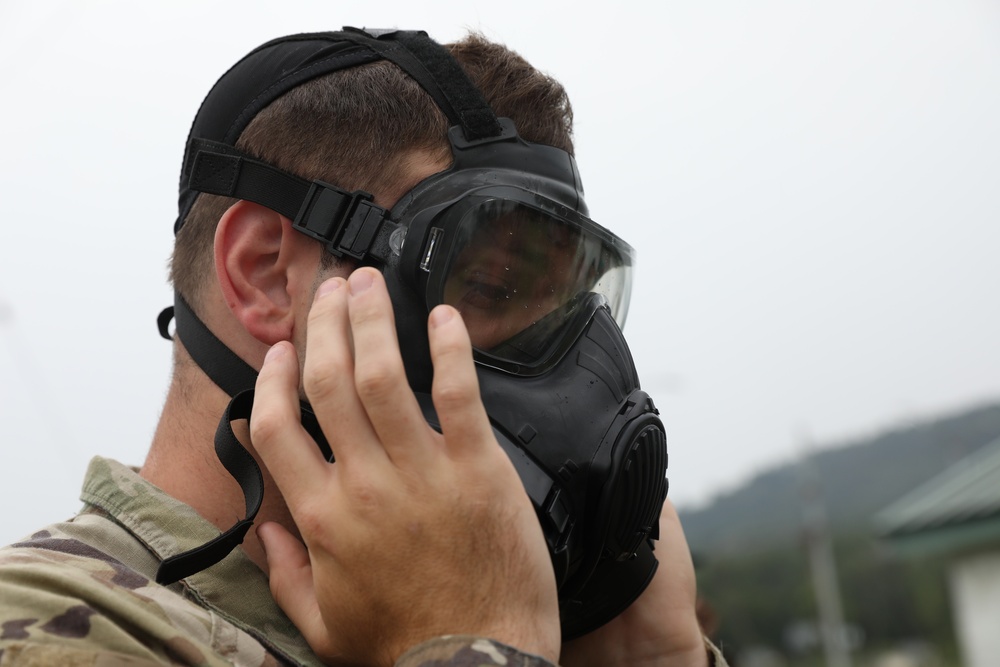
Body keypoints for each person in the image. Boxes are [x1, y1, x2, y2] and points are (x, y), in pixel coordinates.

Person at [0, 28, 727, 667]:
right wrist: (477, 636)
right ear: (267, 275)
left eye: (568, 309)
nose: (572, 374)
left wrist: (652, 657)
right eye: (496, 287)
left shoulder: (524, 626)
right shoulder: (51, 624)